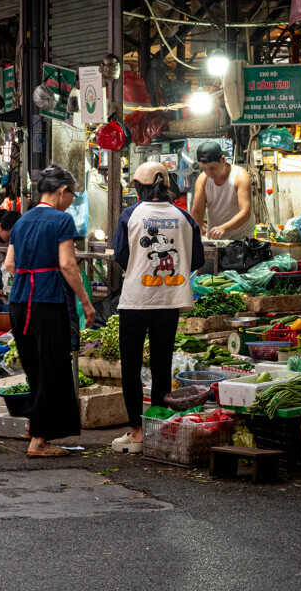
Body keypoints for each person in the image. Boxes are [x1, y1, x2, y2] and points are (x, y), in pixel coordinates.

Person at [111, 162, 203, 454]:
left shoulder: (130, 214)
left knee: (131, 366)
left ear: (139, 187)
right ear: (165, 184)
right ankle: (160, 427)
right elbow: (197, 259)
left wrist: (140, 268)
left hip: (136, 299)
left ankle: (136, 433)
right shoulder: (184, 216)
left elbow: (121, 255)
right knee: (162, 365)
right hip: (170, 300)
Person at [5, 165, 95, 458]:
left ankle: (35, 428)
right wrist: (86, 301)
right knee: (51, 370)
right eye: (73, 194)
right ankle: (39, 442)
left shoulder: (22, 221)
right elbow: (68, 265)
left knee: (34, 369)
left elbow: (9, 265)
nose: (72, 200)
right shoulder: (61, 220)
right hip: (46, 301)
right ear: (62, 191)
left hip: (19, 302)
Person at [190, 142, 255, 240]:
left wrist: (224, 228)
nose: (209, 173)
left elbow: (245, 212)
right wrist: (195, 235)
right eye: (204, 169)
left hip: (241, 240)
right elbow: (197, 212)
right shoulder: (203, 179)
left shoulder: (240, 176)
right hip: (215, 240)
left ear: (223, 160)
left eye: (212, 168)